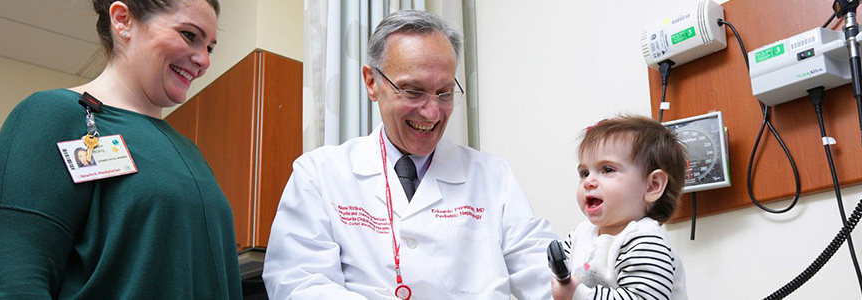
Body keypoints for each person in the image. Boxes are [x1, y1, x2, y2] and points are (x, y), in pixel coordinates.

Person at [262, 10, 558, 300]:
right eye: (413, 91)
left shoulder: (494, 178)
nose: (431, 113)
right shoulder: (320, 174)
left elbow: (548, 278)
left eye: (444, 93)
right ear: (371, 82)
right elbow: (299, 283)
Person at [0, 0, 242, 299]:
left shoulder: (191, 153)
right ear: (123, 20)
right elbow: (14, 279)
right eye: (189, 35)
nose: (204, 60)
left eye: (210, 48)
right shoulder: (53, 115)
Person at [550, 116, 689, 300]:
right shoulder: (580, 235)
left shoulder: (646, 240)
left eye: (607, 170)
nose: (589, 182)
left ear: (652, 186)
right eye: (584, 173)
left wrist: (577, 295)